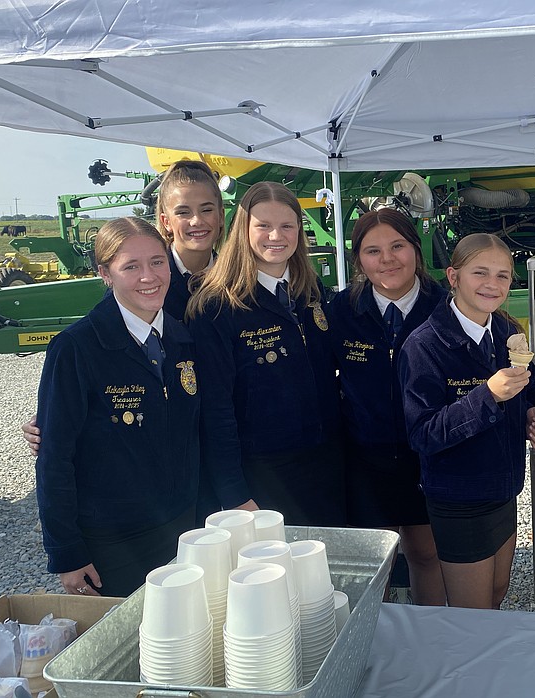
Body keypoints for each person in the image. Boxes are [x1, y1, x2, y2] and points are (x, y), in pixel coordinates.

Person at [34, 217, 200, 597]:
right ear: (105, 274)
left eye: (158, 262)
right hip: (114, 539)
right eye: (131, 266)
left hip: (182, 524)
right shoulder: (76, 349)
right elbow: (54, 458)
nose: (149, 277)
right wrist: (66, 552)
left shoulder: (181, 338)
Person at [400, 233, 535, 610]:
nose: (492, 284)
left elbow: (533, 390)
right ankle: (462, 669)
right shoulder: (424, 346)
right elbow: (422, 434)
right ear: (453, 276)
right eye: (480, 273)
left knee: (496, 593)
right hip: (458, 499)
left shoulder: (507, 333)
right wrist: (486, 395)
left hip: (503, 492)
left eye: (503, 275)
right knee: (471, 612)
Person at [186, 181, 346, 525]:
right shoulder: (216, 307)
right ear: (243, 230)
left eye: (287, 225)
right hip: (265, 475)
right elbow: (216, 408)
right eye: (263, 225)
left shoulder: (310, 291)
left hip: (327, 462)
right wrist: (234, 493)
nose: (276, 235)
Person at [327, 208, 447, 606]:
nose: (388, 259)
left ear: (416, 248)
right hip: (366, 459)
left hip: (428, 457)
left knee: (426, 553)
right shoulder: (340, 311)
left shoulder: (446, 308)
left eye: (398, 246)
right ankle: (372, 649)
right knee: (374, 561)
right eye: (373, 250)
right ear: (358, 259)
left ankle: (427, 642)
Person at [154, 159, 225, 317]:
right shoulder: (148, 280)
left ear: (221, 216)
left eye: (206, 210)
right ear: (166, 221)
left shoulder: (235, 280)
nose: (197, 221)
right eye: (183, 212)